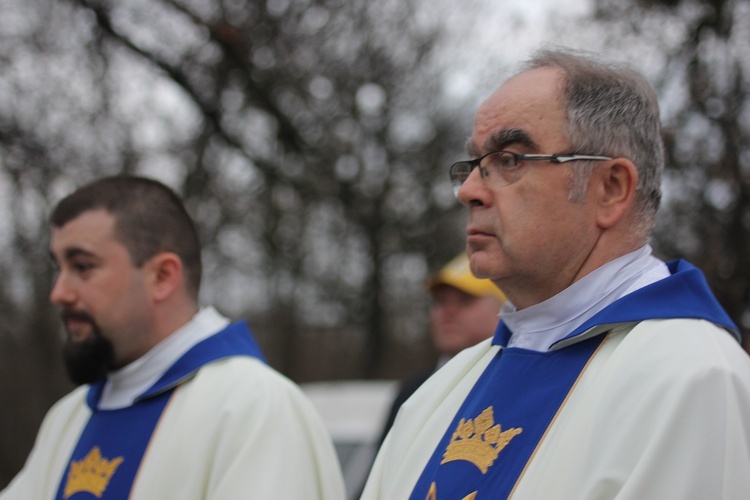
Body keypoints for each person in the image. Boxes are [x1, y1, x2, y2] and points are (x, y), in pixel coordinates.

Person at [361, 47, 750, 499]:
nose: (468, 191)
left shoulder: (693, 380)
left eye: (509, 160)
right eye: (472, 164)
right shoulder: (445, 389)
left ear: (611, 188)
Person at [1, 175, 346, 500]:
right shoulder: (70, 417)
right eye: (58, 268)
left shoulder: (254, 406)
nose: (59, 293)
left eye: (83, 267)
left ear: (163, 277)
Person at [378, 252, 505, 442]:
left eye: (465, 300)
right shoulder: (412, 391)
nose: (448, 311)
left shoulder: (514, 385)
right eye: (440, 301)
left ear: (503, 309)